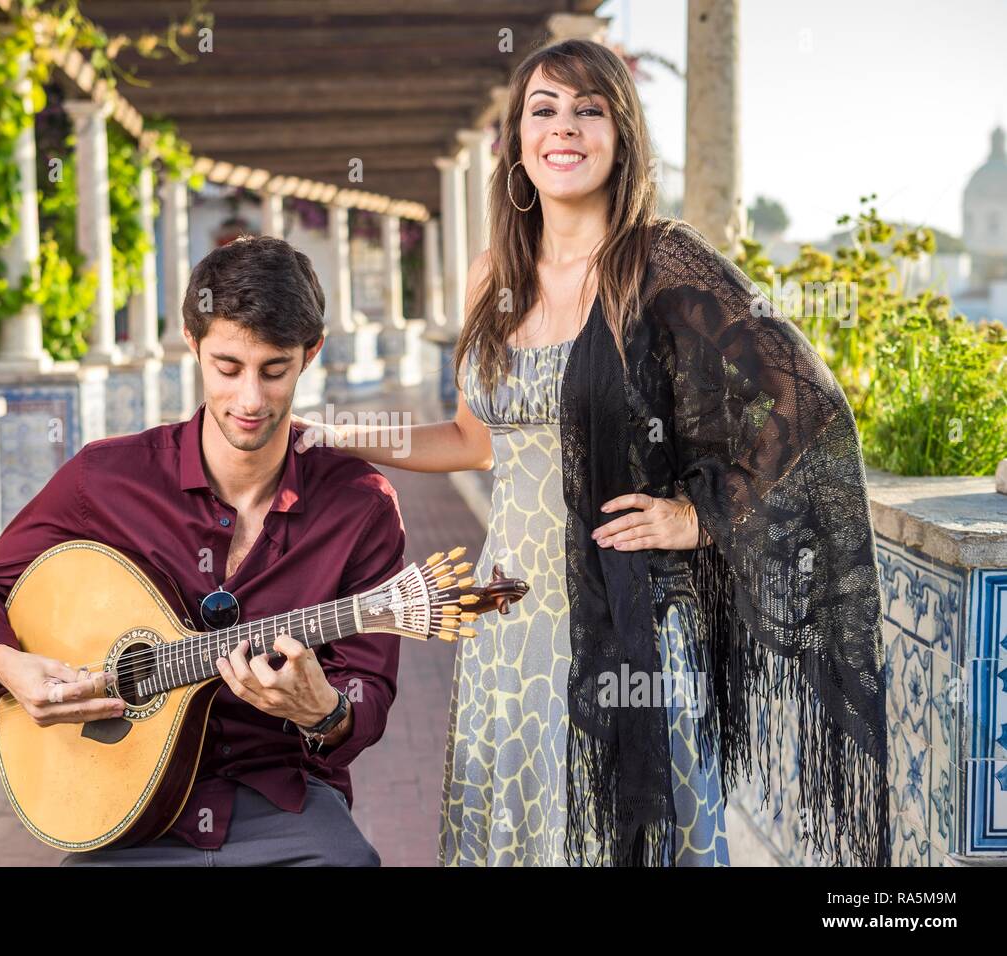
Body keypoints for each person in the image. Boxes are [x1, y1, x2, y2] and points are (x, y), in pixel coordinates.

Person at [296, 38, 889, 867]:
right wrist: (341, 434)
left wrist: (698, 518)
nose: (563, 127)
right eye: (543, 109)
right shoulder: (489, 276)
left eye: (589, 108)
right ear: (518, 142)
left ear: (621, 135)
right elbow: (476, 439)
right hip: (507, 622)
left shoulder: (660, 265)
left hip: (632, 625)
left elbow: (805, 405)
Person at [0, 235, 407, 866]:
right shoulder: (104, 480)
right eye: (227, 367)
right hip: (122, 802)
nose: (250, 400)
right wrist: (6, 665)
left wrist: (326, 714)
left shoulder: (359, 506)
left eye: (274, 371)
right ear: (192, 343)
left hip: (282, 802)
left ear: (310, 354)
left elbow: (367, 687)